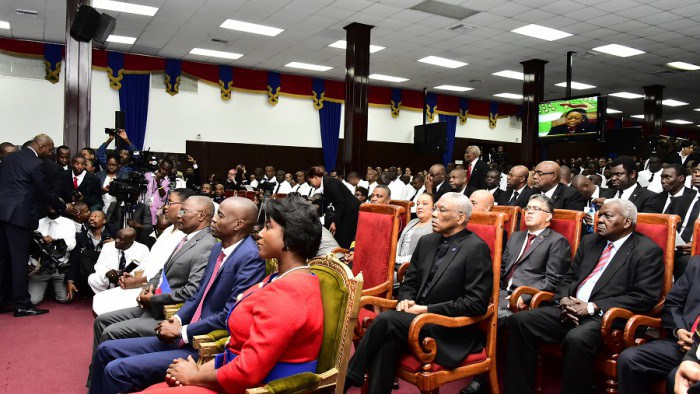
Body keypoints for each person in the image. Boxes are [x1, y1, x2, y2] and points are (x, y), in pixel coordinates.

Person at [140, 196, 324, 393]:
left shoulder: (289, 292)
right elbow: (237, 349)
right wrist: (199, 370)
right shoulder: (278, 278)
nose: (259, 234)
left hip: (253, 387)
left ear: (290, 238)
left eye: (268, 227)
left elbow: (247, 371)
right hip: (228, 371)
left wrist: (194, 376)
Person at [89, 197, 266, 393]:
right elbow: (198, 294)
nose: (213, 219)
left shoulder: (250, 257)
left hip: (201, 344)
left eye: (220, 215)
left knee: (116, 369)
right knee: (105, 350)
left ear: (238, 224)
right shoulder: (218, 248)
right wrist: (178, 320)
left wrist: (183, 331)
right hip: (185, 331)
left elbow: (229, 314)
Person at [504, 199, 665, 394]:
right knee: (520, 321)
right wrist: (563, 299)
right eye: (600, 215)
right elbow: (569, 277)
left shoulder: (647, 250)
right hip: (569, 308)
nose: (600, 220)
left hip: (607, 317)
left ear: (627, 222)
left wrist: (593, 306)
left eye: (608, 216)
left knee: (577, 339)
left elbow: (645, 297)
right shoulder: (591, 241)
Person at [345, 192, 493, 393]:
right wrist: (406, 299)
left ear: (460, 218)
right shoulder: (427, 241)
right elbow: (410, 282)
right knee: (387, 340)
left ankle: (347, 378)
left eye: (441, 210)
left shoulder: (475, 248)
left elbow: (476, 303)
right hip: (415, 322)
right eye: (435, 209)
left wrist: (425, 309)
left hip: (447, 330)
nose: (433, 214)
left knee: (386, 320)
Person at [92, 195, 217, 344]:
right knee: (101, 321)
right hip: (154, 305)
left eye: (184, 212)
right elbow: (163, 270)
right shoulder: (187, 238)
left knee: (109, 332)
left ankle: (105, 366)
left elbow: (192, 290)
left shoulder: (206, 245)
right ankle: (98, 366)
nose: (178, 215)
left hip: (168, 313)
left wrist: (152, 299)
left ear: (201, 216)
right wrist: (147, 288)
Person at [0, 134, 77, 317]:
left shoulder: (10, 158)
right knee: (19, 261)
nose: (51, 153)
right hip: (18, 217)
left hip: (2, 213)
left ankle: (2, 301)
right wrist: (64, 206)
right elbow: (45, 192)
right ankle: (21, 304)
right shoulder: (36, 164)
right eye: (50, 150)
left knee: (2, 259)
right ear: (41, 147)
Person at [617, 254, 700, 394]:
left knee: (677, 377)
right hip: (682, 342)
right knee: (630, 359)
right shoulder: (696, 264)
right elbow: (673, 303)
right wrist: (678, 330)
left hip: (697, 354)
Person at [27, 206, 78, 305]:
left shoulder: (68, 222)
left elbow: (71, 245)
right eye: (49, 204)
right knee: (32, 301)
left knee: (65, 299)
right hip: (40, 269)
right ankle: (45, 288)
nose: (51, 206)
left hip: (59, 269)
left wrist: (55, 241)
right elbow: (29, 246)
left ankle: (52, 289)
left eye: (54, 204)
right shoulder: (38, 222)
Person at [306, 166, 360, 249]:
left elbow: (340, 202)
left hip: (351, 211)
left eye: (310, 182)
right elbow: (325, 202)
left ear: (315, 177)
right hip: (344, 211)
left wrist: (334, 222)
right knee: (338, 236)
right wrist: (314, 217)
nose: (311, 186)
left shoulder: (329, 183)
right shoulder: (326, 183)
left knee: (343, 238)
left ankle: (343, 258)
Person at [66, 210, 114, 301]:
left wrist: (115, 244)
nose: (92, 218)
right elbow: (74, 260)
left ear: (104, 221)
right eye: (91, 216)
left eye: (96, 217)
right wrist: (70, 281)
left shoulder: (113, 235)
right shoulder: (80, 236)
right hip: (84, 275)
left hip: (106, 274)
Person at [87, 228, 150, 294]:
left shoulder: (142, 249)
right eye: (116, 237)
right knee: (92, 278)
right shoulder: (107, 246)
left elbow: (144, 269)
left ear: (131, 241)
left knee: (142, 284)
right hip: (111, 280)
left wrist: (128, 276)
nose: (116, 240)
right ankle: (108, 297)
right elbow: (99, 265)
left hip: (129, 281)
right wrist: (107, 272)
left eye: (121, 239)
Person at [598, 156, 663, 213]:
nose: (613, 178)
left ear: (632, 174)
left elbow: (645, 224)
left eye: (618, 174)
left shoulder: (649, 198)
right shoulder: (606, 194)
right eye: (612, 175)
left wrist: (610, 204)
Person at [395, 193, 434, 267]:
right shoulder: (412, 222)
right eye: (418, 204)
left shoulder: (434, 225)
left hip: (415, 267)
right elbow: (399, 243)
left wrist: (401, 261)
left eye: (424, 204)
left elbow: (426, 253)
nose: (419, 207)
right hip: (396, 263)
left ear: (433, 208)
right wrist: (395, 259)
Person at [146, 159, 174, 224]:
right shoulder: (148, 176)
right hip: (145, 209)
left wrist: (159, 183)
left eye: (167, 170)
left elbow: (163, 196)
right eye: (163, 168)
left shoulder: (167, 182)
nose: (164, 171)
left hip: (156, 213)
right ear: (159, 166)